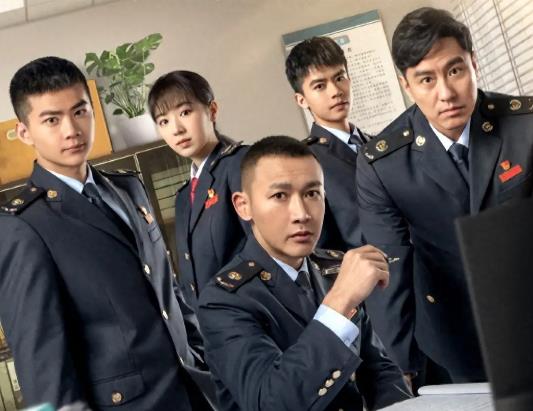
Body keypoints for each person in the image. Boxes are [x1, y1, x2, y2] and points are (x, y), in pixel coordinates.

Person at [0, 57, 215, 410]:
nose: (72, 129)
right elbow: (42, 362)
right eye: (52, 120)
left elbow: (168, 289)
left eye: (79, 112)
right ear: (25, 132)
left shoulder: (128, 188)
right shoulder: (23, 225)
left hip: (194, 390)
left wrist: (201, 354)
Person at [356, 7, 533, 385]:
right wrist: (403, 366)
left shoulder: (525, 125)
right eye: (426, 79)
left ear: (474, 63)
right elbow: (390, 268)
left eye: (455, 70)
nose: (446, 93)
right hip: (455, 338)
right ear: (406, 85)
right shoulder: (383, 164)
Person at [198, 136, 411, 411]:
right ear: (243, 206)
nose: (301, 214)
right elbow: (271, 403)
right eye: (279, 196)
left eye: (312, 194)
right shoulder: (223, 301)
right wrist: (340, 300)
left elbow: (380, 372)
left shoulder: (332, 269)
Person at [148, 71, 248, 308]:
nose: (176, 129)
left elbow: (267, 251)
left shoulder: (242, 165)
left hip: (250, 314)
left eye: (185, 112)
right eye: (164, 121)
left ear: (212, 110)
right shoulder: (184, 197)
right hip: (209, 323)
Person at [285, 36, 371, 251]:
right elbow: (321, 248)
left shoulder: (378, 144)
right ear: (301, 100)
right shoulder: (305, 162)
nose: (336, 91)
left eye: (340, 77)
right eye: (320, 85)